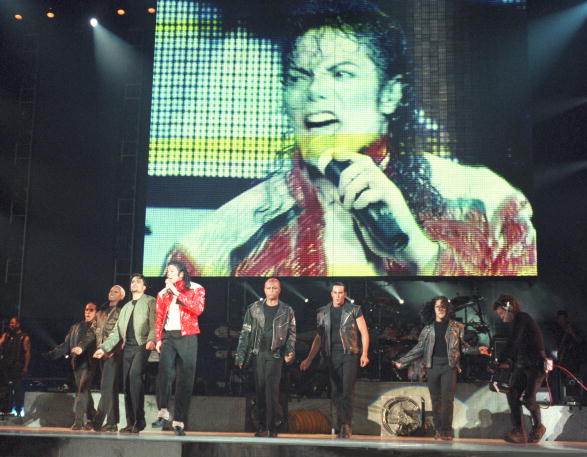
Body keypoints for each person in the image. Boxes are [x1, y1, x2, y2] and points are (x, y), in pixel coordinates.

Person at [166, 4, 536, 277]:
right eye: (299, 76)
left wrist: (421, 253)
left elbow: (511, 315)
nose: (315, 91)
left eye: (341, 74)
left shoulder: (488, 202)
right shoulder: (218, 241)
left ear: (390, 95)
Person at [392, 297, 489, 440]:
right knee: (435, 400)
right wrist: (403, 361)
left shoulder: (457, 326)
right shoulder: (428, 329)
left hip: (449, 366)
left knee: (448, 400)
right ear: (433, 309)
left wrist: (477, 350)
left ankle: (446, 431)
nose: (441, 309)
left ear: (448, 309)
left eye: (443, 306)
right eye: (438, 307)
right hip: (433, 366)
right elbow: (419, 348)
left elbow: (462, 348)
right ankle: (438, 430)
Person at [300, 282, 369, 439]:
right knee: (336, 392)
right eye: (335, 292)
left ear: (345, 294)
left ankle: (346, 425)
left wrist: (364, 353)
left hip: (349, 354)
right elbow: (319, 337)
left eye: (340, 293)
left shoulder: (354, 310)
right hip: (331, 356)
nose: (338, 296)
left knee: (347, 391)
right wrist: (309, 359)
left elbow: (364, 332)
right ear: (331, 294)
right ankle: (340, 424)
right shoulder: (322, 312)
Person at [93, 274, 156, 434]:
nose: (134, 283)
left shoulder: (150, 301)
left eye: (138, 282)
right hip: (127, 348)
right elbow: (117, 332)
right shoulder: (126, 307)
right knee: (127, 384)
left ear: (144, 287)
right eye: (132, 281)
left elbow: (154, 323)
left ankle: (139, 421)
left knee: (135, 377)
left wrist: (152, 339)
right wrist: (104, 348)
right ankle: (130, 422)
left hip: (142, 345)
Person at [235, 278, 296, 437]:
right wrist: (241, 355)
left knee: (272, 391)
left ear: (279, 290)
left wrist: (289, 351)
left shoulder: (286, 310)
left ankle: (272, 427)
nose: (271, 291)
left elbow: (291, 334)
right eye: (269, 288)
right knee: (260, 390)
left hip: (275, 354)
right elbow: (245, 333)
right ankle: (262, 426)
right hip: (258, 354)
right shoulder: (254, 308)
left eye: (274, 288)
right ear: (264, 289)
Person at [152, 261, 205, 436]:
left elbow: (198, 309)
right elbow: (159, 318)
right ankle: (163, 411)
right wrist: (158, 339)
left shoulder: (196, 288)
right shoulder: (162, 293)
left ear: (181, 274)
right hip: (169, 336)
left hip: (188, 335)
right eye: (167, 271)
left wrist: (177, 293)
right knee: (165, 372)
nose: (169, 274)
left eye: (172, 271)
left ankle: (179, 421)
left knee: (185, 378)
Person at [492, 294, 547, 443]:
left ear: (508, 308)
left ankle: (538, 427)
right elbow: (518, 346)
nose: (501, 317)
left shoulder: (522, 317)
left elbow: (514, 341)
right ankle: (519, 432)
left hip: (536, 365)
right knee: (512, 393)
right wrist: (507, 361)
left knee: (529, 399)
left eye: (501, 313)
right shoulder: (518, 322)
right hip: (524, 365)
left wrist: (502, 359)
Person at [77, 285, 126, 432]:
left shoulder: (122, 312)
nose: (111, 293)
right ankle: (112, 423)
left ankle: (97, 422)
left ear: (122, 296)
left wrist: (112, 351)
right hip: (101, 354)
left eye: (115, 291)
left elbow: (121, 334)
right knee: (111, 388)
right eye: (110, 291)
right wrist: (81, 346)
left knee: (106, 387)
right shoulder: (100, 313)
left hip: (113, 354)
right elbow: (91, 332)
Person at [46, 303, 98, 430]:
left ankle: (78, 421)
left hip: (90, 363)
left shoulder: (97, 326)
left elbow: (93, 341)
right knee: (84, 390)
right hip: (77, 363)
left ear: (96, 312)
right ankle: (93, 417)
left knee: (82, 390)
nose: (88, 312)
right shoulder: (75, 327)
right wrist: (51, 354)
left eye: (91, 310)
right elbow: (66, 345)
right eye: (86, 309)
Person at [0, 316, 31, 418]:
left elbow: (27, 353)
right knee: (4, 388)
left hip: (17, 366)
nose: (11, 325)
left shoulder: (24, 337)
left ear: (18, 324)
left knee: (17, 389)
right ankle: (4, 410)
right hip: (5, 365)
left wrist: (25, 367)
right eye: (10, 323)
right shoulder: (6, 335)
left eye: (13, 323)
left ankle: (18, 411)